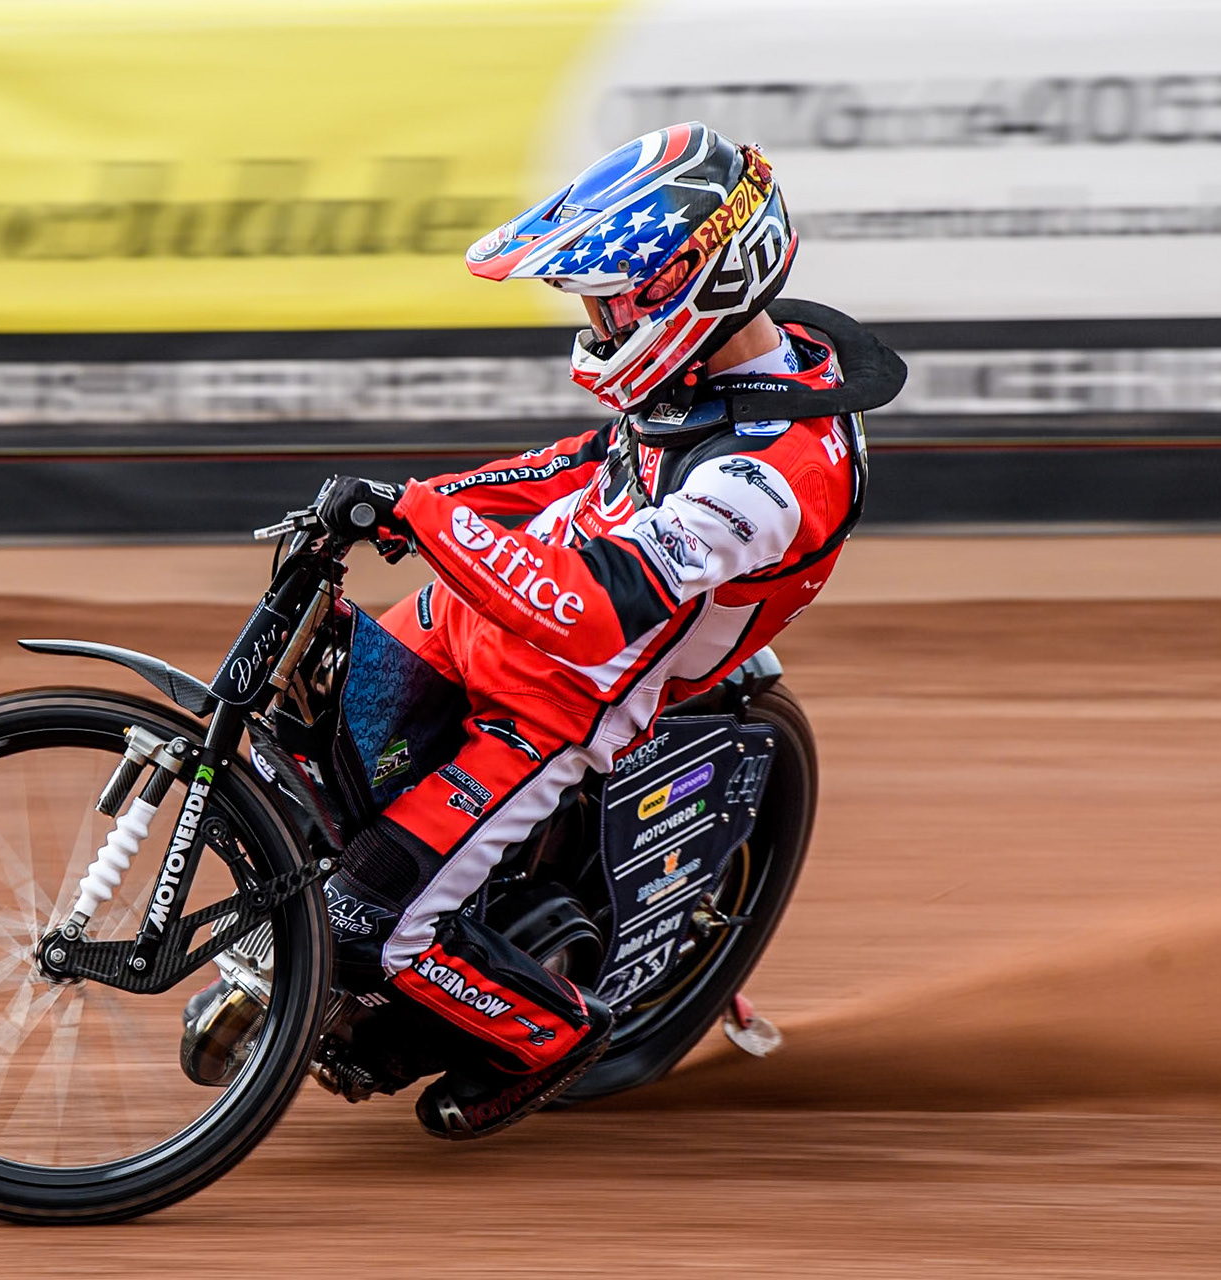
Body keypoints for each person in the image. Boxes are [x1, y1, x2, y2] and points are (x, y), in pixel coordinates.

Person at [311, 122, 904, 1139]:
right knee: (319, 743)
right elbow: (584, 463)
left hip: (557, 695)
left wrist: (428, 518)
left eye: (611, 298)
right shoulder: (715, 374)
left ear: (697, 288)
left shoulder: (773, 474)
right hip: (481, 612)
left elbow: (591, 614)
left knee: (373, 926)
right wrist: (412, 501)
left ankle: (553, 1033)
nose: (595, 319)